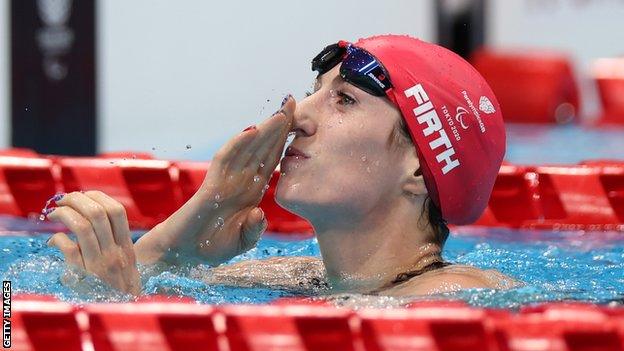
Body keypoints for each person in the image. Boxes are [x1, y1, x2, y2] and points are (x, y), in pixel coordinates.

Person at [45, 35, 516, 297]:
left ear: (418, 169)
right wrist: (191, 228)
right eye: (313, 90)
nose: (299, 116)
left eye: (344, 101)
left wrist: (124, 310)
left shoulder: (453, 299)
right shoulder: (303, 279)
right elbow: (143, 273)